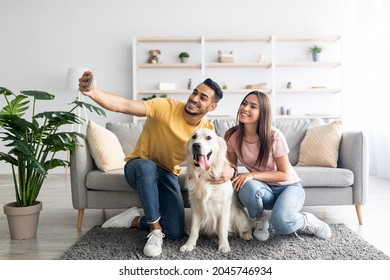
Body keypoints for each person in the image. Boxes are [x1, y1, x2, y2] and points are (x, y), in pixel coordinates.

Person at [78, 72, 227, 257]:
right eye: (195, 92)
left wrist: (229, 170)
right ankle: (155, 231)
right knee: (147, 167)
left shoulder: (206, 131)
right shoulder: (165, 106)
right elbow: (123, 105)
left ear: (212, 106)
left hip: (167, 173)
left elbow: (214, 158)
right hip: (138, 166)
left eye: (202, 97)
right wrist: (94, 93)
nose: (194, 98)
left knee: (175, 232)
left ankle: (134, 219)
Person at [224, 91, 331, 242]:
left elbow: (284, 174)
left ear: (263, 113)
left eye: (253, 106)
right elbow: (231, 168)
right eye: (244, 103)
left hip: (289, 187)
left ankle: (307, 220)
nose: (245, 108)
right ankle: (261, 218)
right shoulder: (232, 136)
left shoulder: (274, 136)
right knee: (244, 185)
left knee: (282, 224)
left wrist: (252, 174)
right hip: (262, 190)